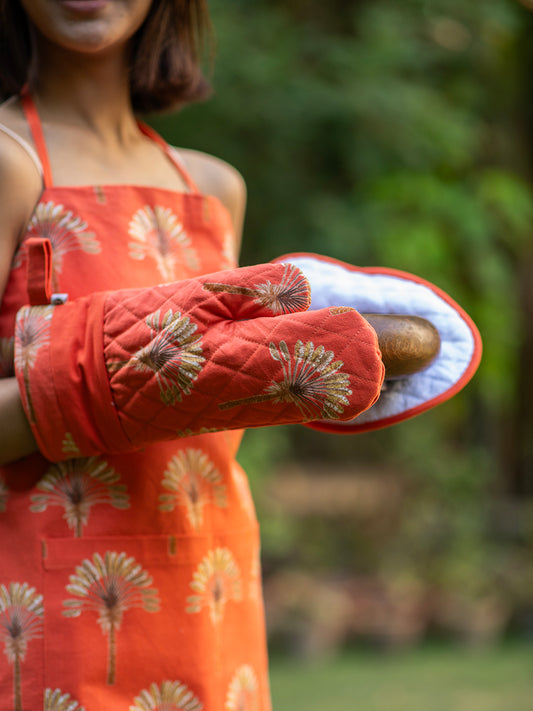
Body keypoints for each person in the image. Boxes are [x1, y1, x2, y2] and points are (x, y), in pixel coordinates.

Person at [0, 1, 387, 709]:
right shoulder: (7, 162)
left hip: (210, 593)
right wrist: (108, 383)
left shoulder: (212, 189)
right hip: (58, 612)